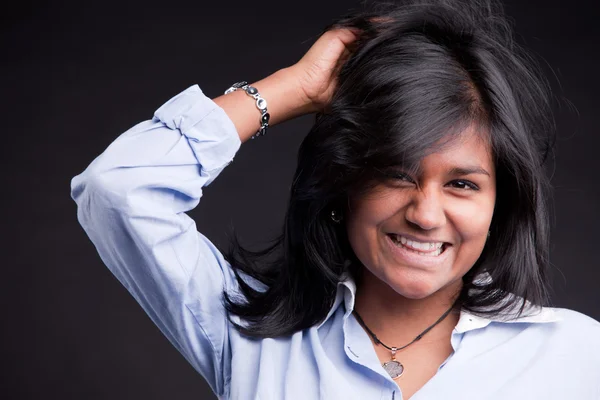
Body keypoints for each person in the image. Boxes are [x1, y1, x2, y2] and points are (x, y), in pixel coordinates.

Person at [70, 0, 600, 399]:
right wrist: (293, 88)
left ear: (500, 204)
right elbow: (117, 189)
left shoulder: (578, 355)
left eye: (462, 184)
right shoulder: (248, 336)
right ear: (343, 182)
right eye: (395, 174)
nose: (425, 213)